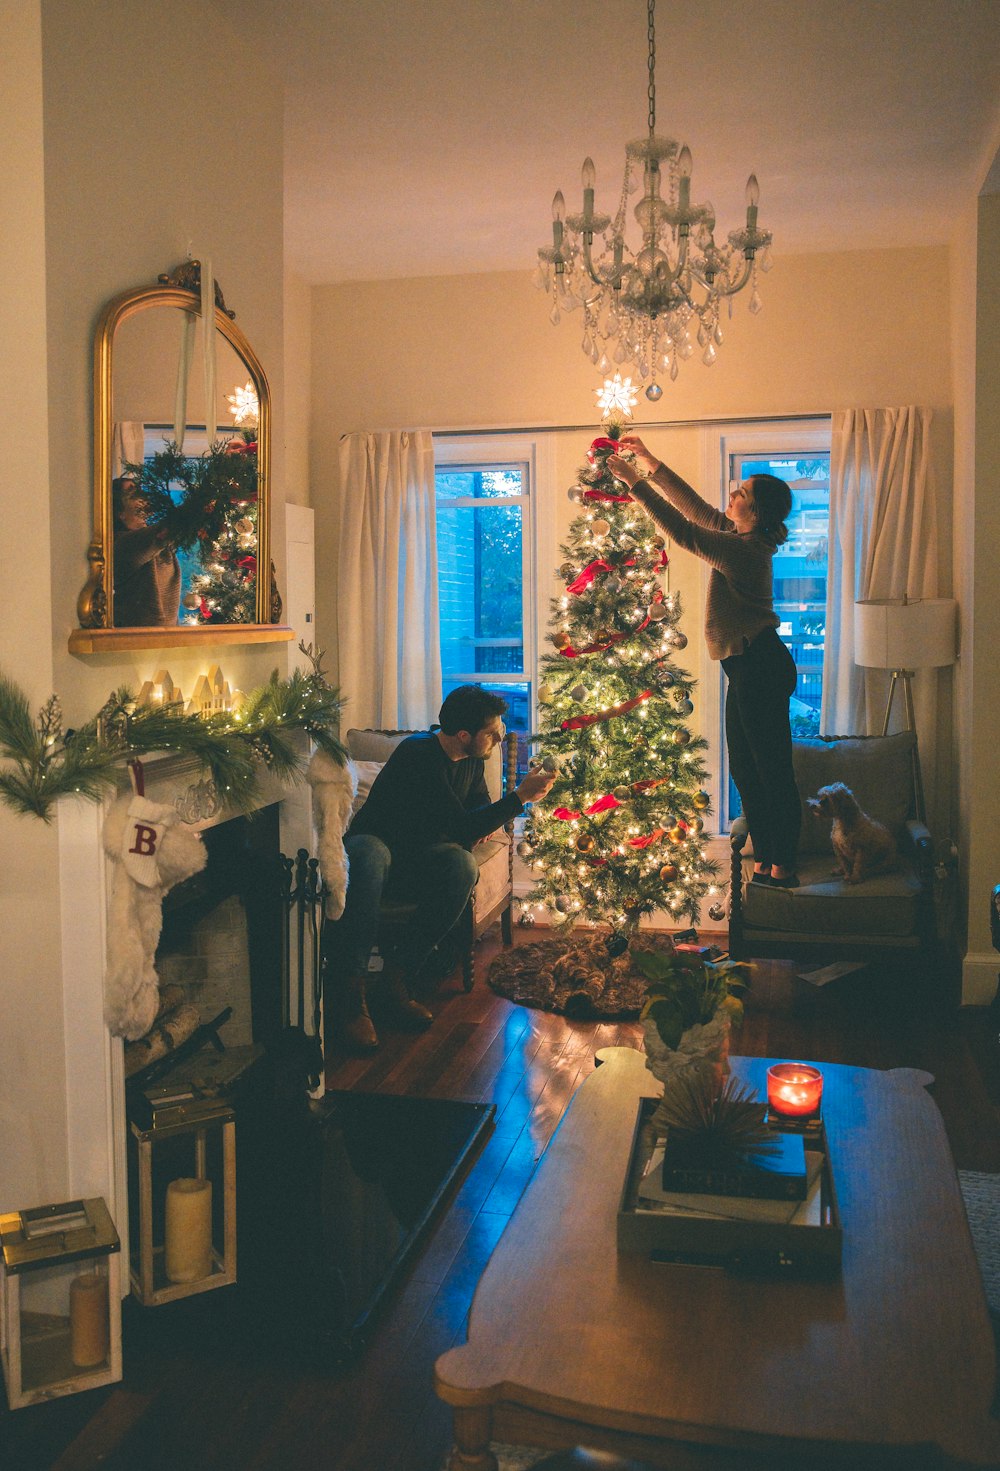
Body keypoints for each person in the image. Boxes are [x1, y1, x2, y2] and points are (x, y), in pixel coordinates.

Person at [606, 437, 801, 889]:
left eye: (743, 494)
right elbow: (694, 508)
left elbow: (685, 531)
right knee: (747, 771)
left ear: (756, 512)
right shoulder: (738, 535)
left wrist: (635, 483)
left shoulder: (746, 551)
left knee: (771, 770)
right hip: (746, 666)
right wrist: (652, 463)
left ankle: (783, 865)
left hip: (760, 666)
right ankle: (768, 858)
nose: (733, 496)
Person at [330, 685, 557, 1052]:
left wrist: (478, 824)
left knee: (461, 865)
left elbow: (477, 814)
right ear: (464, 735)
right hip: (377, 844)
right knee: (371, 856)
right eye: (492, 731)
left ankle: (397, 979)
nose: (500, 737)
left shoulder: (471, 759)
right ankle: (350, 996)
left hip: (418, 857)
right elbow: (466, 825)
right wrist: (519, 798)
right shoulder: (419, 754)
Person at [112, 475, 181, 627]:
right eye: (132, 493)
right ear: (120, 512)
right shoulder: (123, 544)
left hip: (165, 637)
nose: (142, 496)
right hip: (139, 640)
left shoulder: (159, 546)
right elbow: (173, 527)